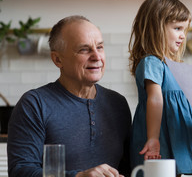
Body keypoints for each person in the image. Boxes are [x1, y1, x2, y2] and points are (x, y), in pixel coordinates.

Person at [7, 16, 132, 177]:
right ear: (57, 59)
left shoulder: (118, 103)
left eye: (100, 47)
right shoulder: (34, 104)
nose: (96, 56)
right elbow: (20, 171)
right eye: (84, 49)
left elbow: (128, 168)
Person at [128, 0, 192, 176]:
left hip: (176, 138)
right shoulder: (152, 62)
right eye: (177, 28)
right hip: (157, 139)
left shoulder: (174, 68)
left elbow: (185, 108)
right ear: (155, 29)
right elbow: (155, 99)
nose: (182, 36)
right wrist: (153, 137)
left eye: (184, 30)